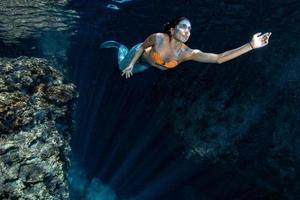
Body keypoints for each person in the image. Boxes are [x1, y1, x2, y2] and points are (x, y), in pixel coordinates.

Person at [100, 17, 272, 79]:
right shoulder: (159, 38)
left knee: (141, 68)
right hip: (138, 56)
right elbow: (142, 48)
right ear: (173, 30)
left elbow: (219, 58)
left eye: (189, 29)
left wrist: (251, 45)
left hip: (147, 65)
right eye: (183, 26)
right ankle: (119, 46)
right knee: (121, 66)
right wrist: (131, 64)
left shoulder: (187, 53)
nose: (187, 31)